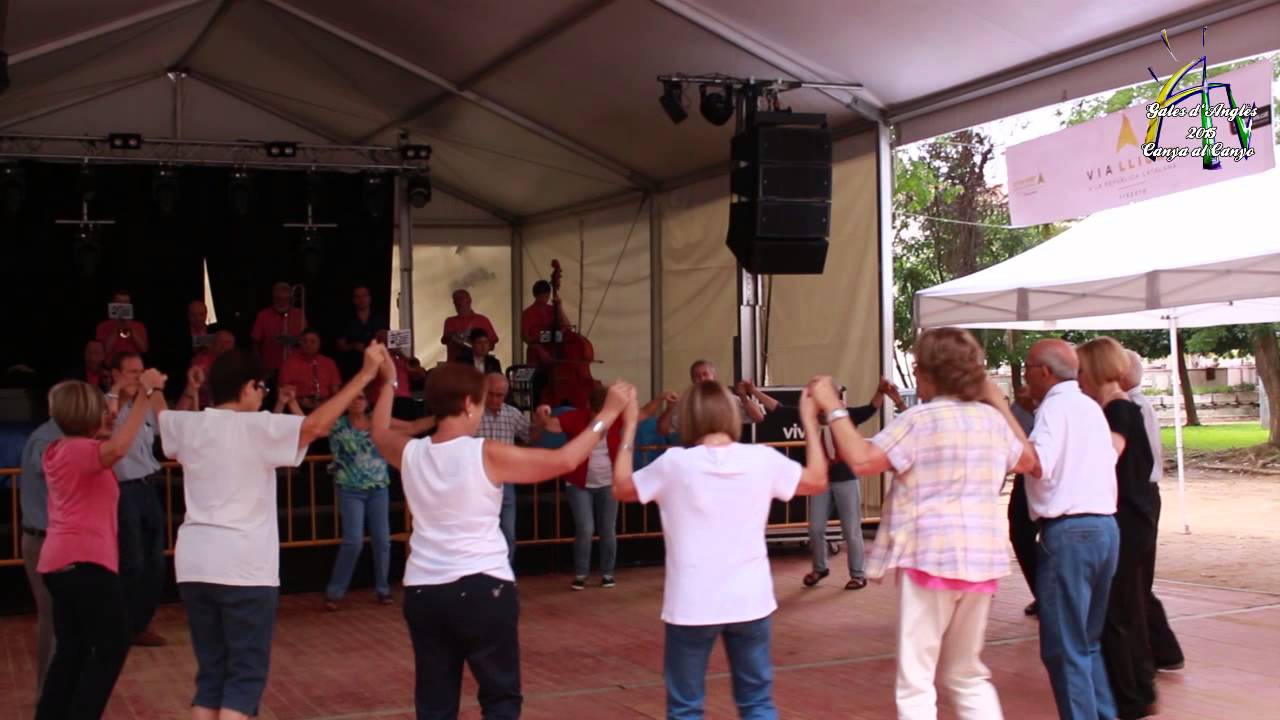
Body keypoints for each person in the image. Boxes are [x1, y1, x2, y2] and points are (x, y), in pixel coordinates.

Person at [369, 359, 631, 720]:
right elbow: (565, 459)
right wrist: (609, 414)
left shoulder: (411, 453)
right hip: (483, 585)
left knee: (434, 702)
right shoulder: (485, 453)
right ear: (467, 404)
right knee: (500, 699)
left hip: (424, 590)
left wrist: (385, 382)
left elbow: (379, 431)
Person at [818, 328, 1036, 720]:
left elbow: (863, 460)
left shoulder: (920, 419)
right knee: (967, 675)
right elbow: (1028, 462)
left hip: (930, 557)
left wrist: (834, 408)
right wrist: (999, 404)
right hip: (981, 560)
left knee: (916, 680)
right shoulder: (990, 421)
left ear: (926, 372)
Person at [159, 344, 384, 720]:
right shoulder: (259, 425)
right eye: (261, 387)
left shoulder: (188, 422)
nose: (263, 394)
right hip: (244, 565)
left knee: (212, 674)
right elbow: (316, 426)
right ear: (248, 386)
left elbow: (160, 416)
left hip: (195, 564)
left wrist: (157, 390)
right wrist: (364, 375)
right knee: (245, 676)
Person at [611, 379, 828, 719]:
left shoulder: (674, 463)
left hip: (692, 602)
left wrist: (627, 428)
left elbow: (623, 487)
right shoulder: (761, 459)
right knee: (757, 703)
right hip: (750, 599)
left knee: (685, 708)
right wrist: (810, 422)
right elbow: (816, 480)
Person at [37, 369, 168, 719]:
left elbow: (112, 430)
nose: (107, 414)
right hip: (86, 564)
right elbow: (121, 446)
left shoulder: (59, 449)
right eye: (101, 410)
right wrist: (146, 393)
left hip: (62, 564)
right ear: (85, 415)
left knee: (74, 649)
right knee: (113, 644)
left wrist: (123, 397)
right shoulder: (80, 450)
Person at [1023, 338, 1121, 720]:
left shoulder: (1054, 409)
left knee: (1065, 648)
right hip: (1104, 528)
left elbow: (1038, 462)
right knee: (1087, 642)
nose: (1025, 376)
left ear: (1045, 372)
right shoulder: (1090, 407)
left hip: (1069, 532)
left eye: (1029, 367)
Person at [1078, 338, 1158, 720]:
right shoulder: (1117, 408)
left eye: (1080, 369)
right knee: (1129, 608)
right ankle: (1137, 688)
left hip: (1127, 519)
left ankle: (1130, 697)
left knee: (1119, 611)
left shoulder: (1117, 412)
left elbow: (1106, 457)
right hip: (1132, 516)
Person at [322, 392, 435, 611]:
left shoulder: (379, 421)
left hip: (378, 488)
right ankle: (335, 591)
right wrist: (290, 402)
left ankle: (382, 589)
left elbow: (412, 428)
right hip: (350, 489)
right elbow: (310, 426)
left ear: (368, 401)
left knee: (383, 541)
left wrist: (442, 415)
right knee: (353, 541)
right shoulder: (337, 423)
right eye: (353, 396)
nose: (357, 400)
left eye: (362, 397)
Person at [804, 377, 906, 591]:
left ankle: (858, 574)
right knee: (815, 527)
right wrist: (753, 394)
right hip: (822, 481)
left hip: (846, 479)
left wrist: (880, 391)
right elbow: (779, 409)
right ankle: (820, 567)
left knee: (851, 530)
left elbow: (870, 409)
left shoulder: (845, 416)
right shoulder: (810, 417)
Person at [1122, 349, 1184, 672]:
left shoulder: (1131, 407)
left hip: (1139, 496)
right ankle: (1162, 651)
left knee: (1135, 580)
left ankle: (1155, 652)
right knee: (1136, 580)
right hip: (1143, 494)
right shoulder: (1134, 405)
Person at [105, 352, 169, 648]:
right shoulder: (107, 403)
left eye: (141, 372)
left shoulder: (142, 406)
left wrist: (188, 392)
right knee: (132, 560)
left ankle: (140, 624)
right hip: (122, 490)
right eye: (131, 372)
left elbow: (167, 425)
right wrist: (117, 390)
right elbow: (105, 426)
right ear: (116, 373)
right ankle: (121, 624)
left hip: (148, 485)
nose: (138, 377)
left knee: (155, 561)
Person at [476, 373, 547, 564]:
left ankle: (505, 574)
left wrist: (540, 424)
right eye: (491, 394)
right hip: (477, 480)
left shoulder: (512, 413)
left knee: (508, 532)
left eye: (500, 395)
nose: (495, 399)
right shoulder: (472, 413)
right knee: (478, 532)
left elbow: (530, 437)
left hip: (505, 481)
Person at [19, 417, 62, 698]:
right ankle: (49, 695)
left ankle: (59, 693)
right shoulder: (45, 439)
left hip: (54, 539)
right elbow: (49, 469)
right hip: (44, 539)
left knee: (64, 619)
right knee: (54, 617)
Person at [657, 360, 772, 436]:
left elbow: (758, 417)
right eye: (696, 376)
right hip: (695, 453)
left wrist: (743, 397)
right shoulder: (685, 403)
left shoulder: (729, 399)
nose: (701, 379)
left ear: (714, 376)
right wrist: (669, 408)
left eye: (705, 374)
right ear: (692, 380)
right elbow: (663, 430)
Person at [1009, 384, 1040, 616]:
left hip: (1052, 481)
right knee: (1020, 535)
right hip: (1025, 481)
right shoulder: (1022, 405)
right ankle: (1043, 594)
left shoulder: (1060, 407)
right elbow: (1009, 440)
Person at [278, 328, 342, 411]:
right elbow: (284, 392)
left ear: (319, 344)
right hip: (297, 407)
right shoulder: (289, 363)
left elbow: (336, 392)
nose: (308, 344)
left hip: (325, 407)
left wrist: (325, 405)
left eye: (312, 341)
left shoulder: (329, 363)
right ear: (300, 343)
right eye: (305, 341)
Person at [250, 281, 306, 376]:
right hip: (271, 367)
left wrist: (295, 342)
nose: (282, 302)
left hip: (295, 365)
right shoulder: (263, 315)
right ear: (273, 298)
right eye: (278, 299)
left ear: (290, 299)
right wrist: (259, 365)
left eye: (285, 299)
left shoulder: (299, 314)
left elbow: (306, 339)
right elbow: (255, 342)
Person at [442, 289, 498, 363]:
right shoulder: (450, 321)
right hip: (456, 366)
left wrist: (479, 347)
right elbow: (445, 339)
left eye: (461, 299)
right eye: (455, 300)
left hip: (478, 366)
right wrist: (455, 337)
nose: (459, 303)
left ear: (469, 301)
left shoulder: (482, 320)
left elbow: (492, 344)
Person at [95, 290, 150, 359]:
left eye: (126, 302)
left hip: (132, 366)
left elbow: (144, 349)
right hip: (111, 366)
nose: (123, 305)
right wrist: (116, 327)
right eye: (119, 302)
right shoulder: (102, 326)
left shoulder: (139, 325)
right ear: (112, 303)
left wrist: (130, 328)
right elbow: (103, 350)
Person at [336, 285, 388, 354]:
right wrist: (352, 346)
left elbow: (390, 341)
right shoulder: (345, 320)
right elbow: (339, 346)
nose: (361, 299)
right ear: (353, 300)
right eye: (357, 297)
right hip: (352, 360)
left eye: (364, 296)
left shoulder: (380, 318)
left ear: (370, 298)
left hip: (377, 360)